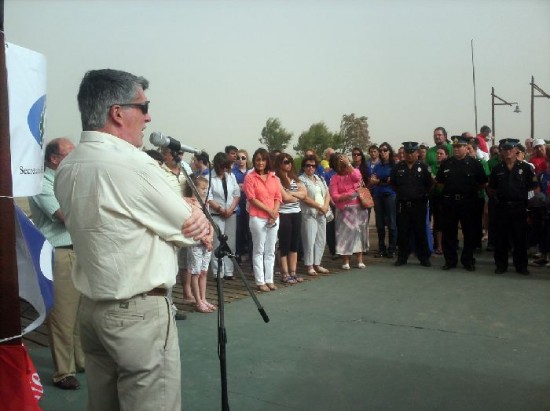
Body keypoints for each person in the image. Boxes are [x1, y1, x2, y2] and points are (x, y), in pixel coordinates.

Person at [54, 69, 210, 411]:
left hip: (94, 311)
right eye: (143, 106)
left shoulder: (68, 167)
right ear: (117, 112)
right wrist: (190, 216)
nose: (149, 116)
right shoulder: (134, 165)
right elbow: (188, 228)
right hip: (139, 313)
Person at [28, 138, 85, 390]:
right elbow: (64, 216)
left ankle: (82, 361)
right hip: (60, 253)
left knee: (81, 313)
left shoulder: (69, 181)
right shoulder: (42, 183)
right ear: (54, 159)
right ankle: (64, 371)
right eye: (70, 154)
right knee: (62, 316)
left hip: (80, 251)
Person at [436, 135, 488, 271]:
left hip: (468, 202)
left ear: (466, 147)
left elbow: (483, 183)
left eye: (459, 147)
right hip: (450, 202)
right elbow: (440, 183)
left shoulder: (475, 164)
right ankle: (450, 260)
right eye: (454, 147)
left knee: (469, 233)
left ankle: (468, 260)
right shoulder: (446, 164)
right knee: (449, 233)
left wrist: (468, 192)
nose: (456, 149)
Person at [488, 139, 538, 275]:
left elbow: (534, 189)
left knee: (520, 239)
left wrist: (528, 205)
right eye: (505, 150)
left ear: (516, 151)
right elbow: (491, 189)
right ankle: (501, 265)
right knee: (501, 239)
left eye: (510, 149)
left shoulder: (526, 168)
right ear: (502, 152)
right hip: (502, 208)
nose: (508, 152)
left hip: (519, 208)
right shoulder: (497, 169)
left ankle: (521, 265)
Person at [243, 148, 282, 291]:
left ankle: (269, 279)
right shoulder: (250, 177)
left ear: (267, 161)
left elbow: (278, 197)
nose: (260, 162)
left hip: (273, 218)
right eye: (258, 160)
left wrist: (274, 213)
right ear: (254, 161)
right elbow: (252, 198)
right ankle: (260, 281)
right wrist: (270, 211)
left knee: (270, 250)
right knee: (259, 250)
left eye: (263, 159)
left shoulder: (273, 177)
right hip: (258, 218)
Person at [390, 142, 433, 266]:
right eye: (407, 152)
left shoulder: (424, 167)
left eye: (412, 152)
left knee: (420, 231)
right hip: (402, 204)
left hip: (419, 204)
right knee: (403, 231)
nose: (409, 155)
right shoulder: (398, 167)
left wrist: (420, 194)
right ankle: (402, 257)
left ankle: (424, 257)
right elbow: (393, 184)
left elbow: (429, 185)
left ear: (417, 153)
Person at [329, 153, 368, 269]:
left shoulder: (354, 172)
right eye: (339, 163)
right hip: (344, 211)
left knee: (359, 233)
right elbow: (334, 196)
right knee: (344, 235)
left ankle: (360, 259)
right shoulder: (334, 178)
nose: (342, 165)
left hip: (359, 208)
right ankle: (346, 261)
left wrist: (348, 164)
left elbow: (357, 178)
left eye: (343, 162)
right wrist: (349, 195)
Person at [184, 176, 216, 311]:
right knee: (195, 273)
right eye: (202, 188)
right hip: (197, 243)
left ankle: (203, 299)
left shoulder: (205, 204)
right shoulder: (190, 205)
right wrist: (204, 238)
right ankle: (198, 301)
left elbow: (210, 222)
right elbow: (193, 225)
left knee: (204, 272)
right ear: (193, 188)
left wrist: (210, 236)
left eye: (206, 188)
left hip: (206, 243)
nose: (205, 191)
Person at [274, 153, 307, 283]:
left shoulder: (295, 177)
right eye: (286, 162)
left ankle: (293, 272)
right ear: (279, 163)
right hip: (284, 214)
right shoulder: (277, 179)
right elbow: (284, 198)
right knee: (284, 244)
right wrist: (296, 195)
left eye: (290, 162)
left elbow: (304, 194)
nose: (289, 164)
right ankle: (285, 273)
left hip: (296, 212)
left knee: (294, 243)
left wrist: (292, 193)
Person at [208, 152, 240, 280]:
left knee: (230, 243)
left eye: (226, 166)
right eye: (222, 166)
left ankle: (229, 271)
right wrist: (220, 209)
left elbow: (237, 193)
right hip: (216, 214)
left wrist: (231, 208)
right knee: (217, 243)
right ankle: (217, 272)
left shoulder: (230, 176)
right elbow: (208, 197)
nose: (224, 169)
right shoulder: (209, 177)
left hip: (231, 214)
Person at [299, 154, 331, 275]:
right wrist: (319, 206)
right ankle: (309, 265)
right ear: (303, 167)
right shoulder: (301, 180)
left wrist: (325, 206)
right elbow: (304, 197)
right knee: (309, 239)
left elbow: (327, 193)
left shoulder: (319, 178)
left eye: (313, 166)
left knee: (321, 239)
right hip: (309, 213)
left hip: (322, 213)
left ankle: (318, 263)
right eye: (308, 165)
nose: (311, 168)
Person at [371, 142, 397, 258]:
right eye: (380, 150)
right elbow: (372, 179)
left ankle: (392, 248)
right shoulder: (378, 165)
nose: (382, 152)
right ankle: (382, 248)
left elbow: (392, 181)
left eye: (385, 150)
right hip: (378, 195)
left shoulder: (394, 165)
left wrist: (379, 181)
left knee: (391, 222)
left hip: (390, 195)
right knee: (379, 223)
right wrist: (383, 181)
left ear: (389, 151)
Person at [233, 149, 251, 263]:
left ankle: (250, 254)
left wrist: (244, 186)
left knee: (249, 231)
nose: (240, 160)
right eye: (238, 158)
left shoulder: (251, 172)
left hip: (249, 204)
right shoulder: (233, 172)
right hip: (238, 205)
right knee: (238, 231)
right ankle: (238, 255)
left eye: (243, 158)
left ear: (246, 159)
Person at [430, 145, 449, 255]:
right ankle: (439, 246)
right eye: (437, 153)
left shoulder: (450, 166)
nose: (438, 155)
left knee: (448, 222)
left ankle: (448, 244)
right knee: (437, 222)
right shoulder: (432, 167)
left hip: (447, 197)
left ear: (446, 155)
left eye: (441, 154)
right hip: (435, 197)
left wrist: (435, 181)